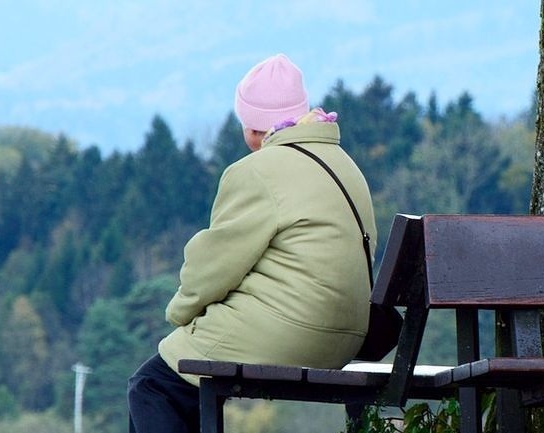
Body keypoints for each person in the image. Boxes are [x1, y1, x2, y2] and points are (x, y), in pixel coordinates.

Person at [127, 53, 377, 433]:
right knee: (183, 385)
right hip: (347, 339)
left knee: (152, 386)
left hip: (289, 334)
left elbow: (214, 267)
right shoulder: (346, 166)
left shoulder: (257, 171)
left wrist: (180, 313)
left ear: (252, 127)